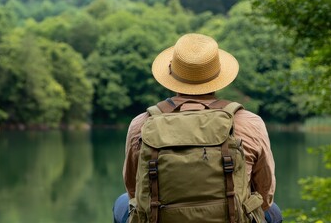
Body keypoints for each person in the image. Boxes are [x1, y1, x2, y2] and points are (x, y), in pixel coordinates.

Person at [113, 33, 282, 223]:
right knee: (273, 212)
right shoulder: (250, 123)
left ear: (171, 75)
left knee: (121, 202)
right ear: (218, 76)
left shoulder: (141, 124)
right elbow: (265, 196)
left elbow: (133, 190)